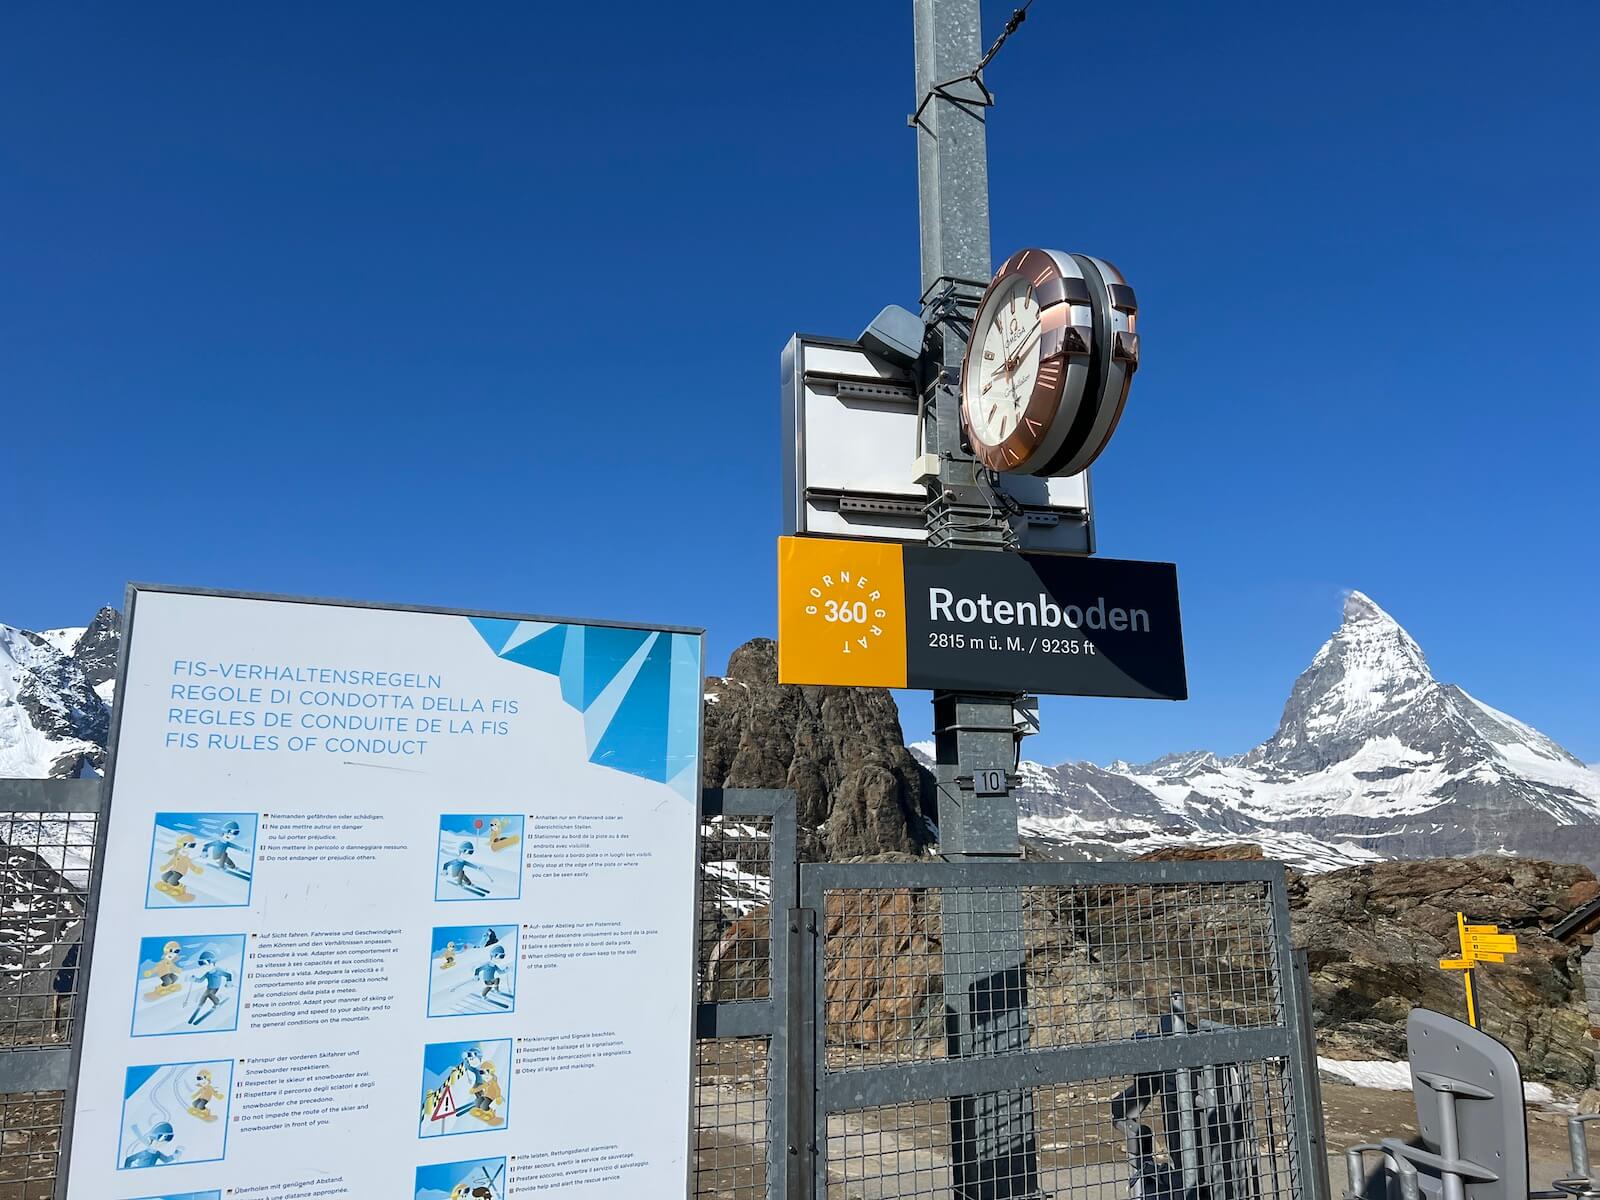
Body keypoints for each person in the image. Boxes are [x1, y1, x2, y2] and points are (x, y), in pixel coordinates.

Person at [187, 950, 234, 1026]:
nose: (205, 966)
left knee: (210, 994)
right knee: (204, 996)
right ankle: (200, 1005)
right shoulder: (207, 973)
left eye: (206, 964)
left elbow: (228, 975)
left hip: (215, 987)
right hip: (209, 987)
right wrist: (194, 979)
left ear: (213, 962)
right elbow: (200, 980)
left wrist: (229, 982)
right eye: (203, 964)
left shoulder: (218, 971)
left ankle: (217, 1003)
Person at [153, 833, 204, 901]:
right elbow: (172, 861)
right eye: (183, 845)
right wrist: (165, 866)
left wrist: (196, 869)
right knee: (164, 877)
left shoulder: (186, 858)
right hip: (173, 869)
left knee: (172, 880)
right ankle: (167, 886)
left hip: (180, 871)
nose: (184, 849)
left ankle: (180, 887)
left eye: (189, 846)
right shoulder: (178, 855)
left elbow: (190, 865)